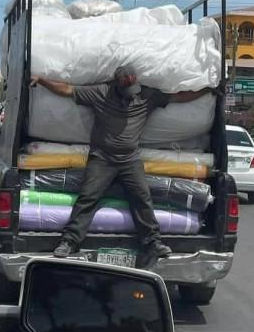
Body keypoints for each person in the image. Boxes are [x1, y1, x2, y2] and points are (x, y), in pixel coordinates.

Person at [31, 66, 216, 269]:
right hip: (102, 158)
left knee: (142, 197)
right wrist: (42, 80)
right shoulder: (101, 92)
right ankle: (69, 241)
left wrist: (208, 89)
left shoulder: (146, 96)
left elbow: (179, 97)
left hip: (130, 160)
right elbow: (67, 89)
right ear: (116, 85)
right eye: (127, 92)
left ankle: (153, 242)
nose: (131, 96)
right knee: (88, 197)